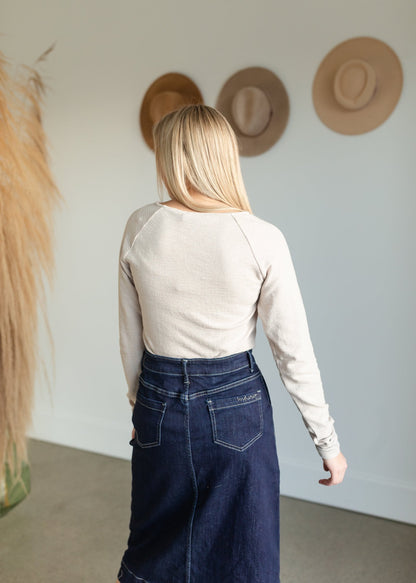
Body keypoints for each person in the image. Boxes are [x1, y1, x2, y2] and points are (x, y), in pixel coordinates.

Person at [116, 104, 347, 583]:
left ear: (173, 159)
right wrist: (327, 442)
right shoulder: (261, 237)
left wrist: (141, 410)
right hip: (236, 406)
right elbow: (292, 350)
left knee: (156, 549)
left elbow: (130, 334)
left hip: (159, 406)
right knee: (245, 552)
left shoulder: (141, 226)